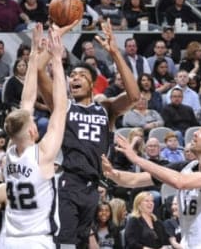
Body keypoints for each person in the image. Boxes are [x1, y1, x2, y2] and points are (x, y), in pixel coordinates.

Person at [35, 19, 140, 248]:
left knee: (83, 242)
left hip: (93, 186)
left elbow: (134, 97)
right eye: (72, 75)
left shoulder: (106, 109)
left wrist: (114, 53)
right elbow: (37, 71)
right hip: (67, 181)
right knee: (65, 243)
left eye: (81, 75)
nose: (74, 78)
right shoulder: (62, 106)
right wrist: (56, 42)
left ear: (93, 84)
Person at [0, 23, 68, 249]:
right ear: (33, 131)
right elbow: (61, 108)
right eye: (34, 122)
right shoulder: (43, 155)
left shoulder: (9, 154)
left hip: (9, 241)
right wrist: (56, 60)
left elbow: (26, 103)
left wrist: (35, 53)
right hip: (37, 240)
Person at [103, 118, 201, 249]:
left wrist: (136, 159)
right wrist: (112, 173)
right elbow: (134, 180)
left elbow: (180, 182)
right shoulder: (184, 167)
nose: (195, 133)